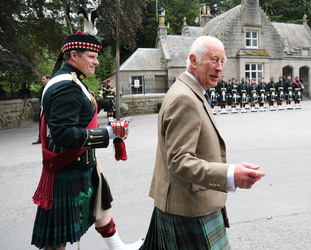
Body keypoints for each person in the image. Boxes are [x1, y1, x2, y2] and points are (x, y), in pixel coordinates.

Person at [140, 36, 265, 249]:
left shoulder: (190, 90)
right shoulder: (185, 98)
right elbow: (180, 161)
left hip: (186, 204)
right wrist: (230, 174)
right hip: (188, 209)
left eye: (222, 61)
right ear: (193, 60)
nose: (219, 68)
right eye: (214, 59)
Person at [31, 31, 142, 250]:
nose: (97, 61)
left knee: (99, 205)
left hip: (80, 162)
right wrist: (108, 133)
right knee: (58, 237)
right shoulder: (67, 86)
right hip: (69, 165)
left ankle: (118, 246)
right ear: (74, 55)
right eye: (92, 56)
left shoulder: (71, 80)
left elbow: (76, 117)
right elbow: (64, 133)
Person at [32, 74, 51, 145]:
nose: (42, 80)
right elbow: (40, 97)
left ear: (48, 79)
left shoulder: (53, 86)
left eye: (43, 79)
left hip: (49, 109)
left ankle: (52, 137)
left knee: (51, 123)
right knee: (41, 124)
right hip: (43, 109)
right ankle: (40, 138)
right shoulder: (43, 88)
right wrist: (40, 103)